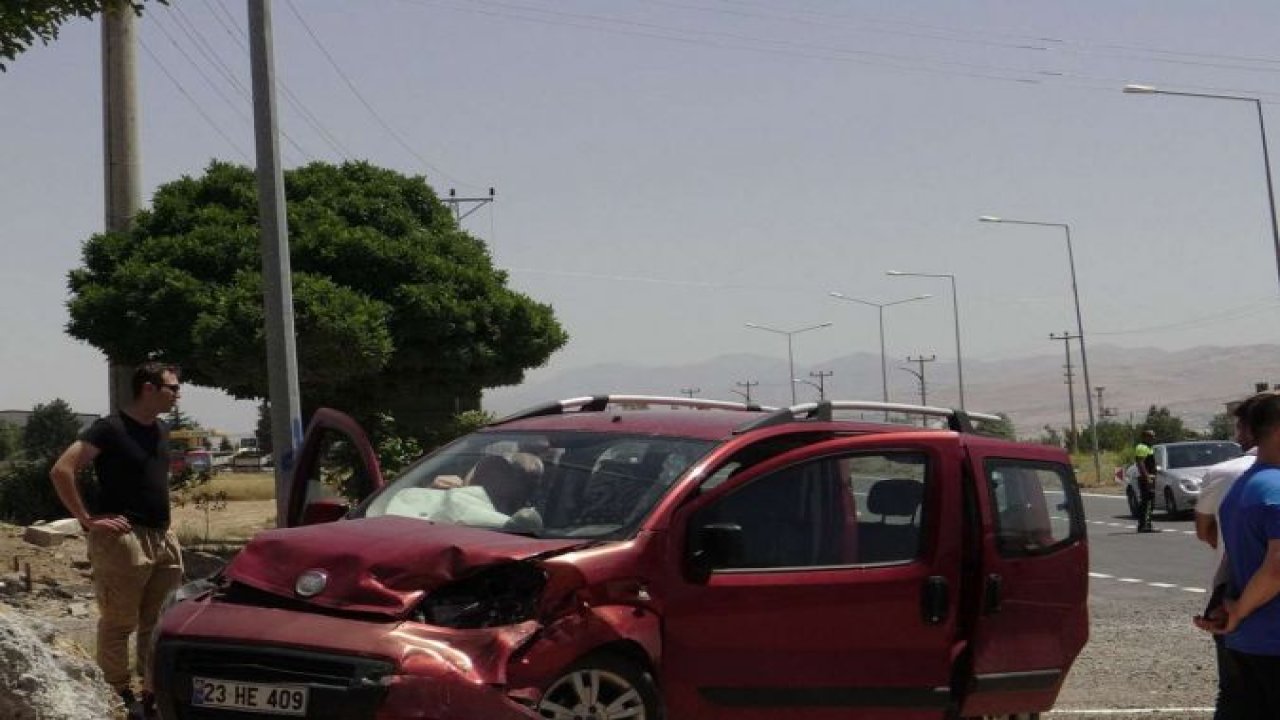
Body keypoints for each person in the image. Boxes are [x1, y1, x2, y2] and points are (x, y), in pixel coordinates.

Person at [49, 362, 185, 718]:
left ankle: (151, 693)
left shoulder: (162, 430)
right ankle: (117, 694)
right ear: (148, 389)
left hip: (162, 537)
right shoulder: (109, 428)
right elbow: (62, 469)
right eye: (172, 387)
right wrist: (87, 519)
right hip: (124, 539)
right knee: (119, 621)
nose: (178, 393)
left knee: (157, 623)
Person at [1207, 392, 1280, 717]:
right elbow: (1276, 566)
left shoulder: (1243, 487)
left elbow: (1235, 557)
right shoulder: (1276, 489)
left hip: (1248, 640)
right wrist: (1238, 609)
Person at [1194, 393, 1266, 719]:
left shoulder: (1227, 474)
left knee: (1236, 696)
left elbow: (1206, 532)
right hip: (1249, 608)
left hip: (1233, 600)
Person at [1134, 429, 1158, 533]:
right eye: (1150, 436)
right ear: (1144, 437)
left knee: (1149, 501)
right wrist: (1147, 477)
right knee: (1147, 502)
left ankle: (1146, 524)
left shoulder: (1149, 447)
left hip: (1150, 477)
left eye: (1153, 436)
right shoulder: (1142, 447)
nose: (1153, 438)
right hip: (1146, 478)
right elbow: (1141, 463)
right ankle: (1144, 525)